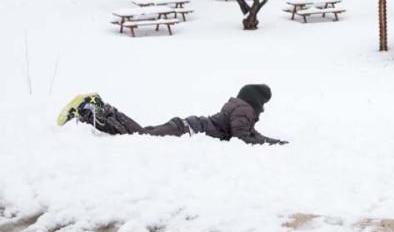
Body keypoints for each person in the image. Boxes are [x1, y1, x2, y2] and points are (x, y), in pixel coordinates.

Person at [57, 84, 287, 145]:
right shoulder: (245, 111)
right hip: (184, 130)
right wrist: (273, 145)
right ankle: (97, 107)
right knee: (138, 136)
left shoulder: (237, 107)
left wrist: (274, 143)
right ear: (257, 101)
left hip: (184, 126)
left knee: (139, 134)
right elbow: (242, 137)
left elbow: (251, 134)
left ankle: (90, 112)